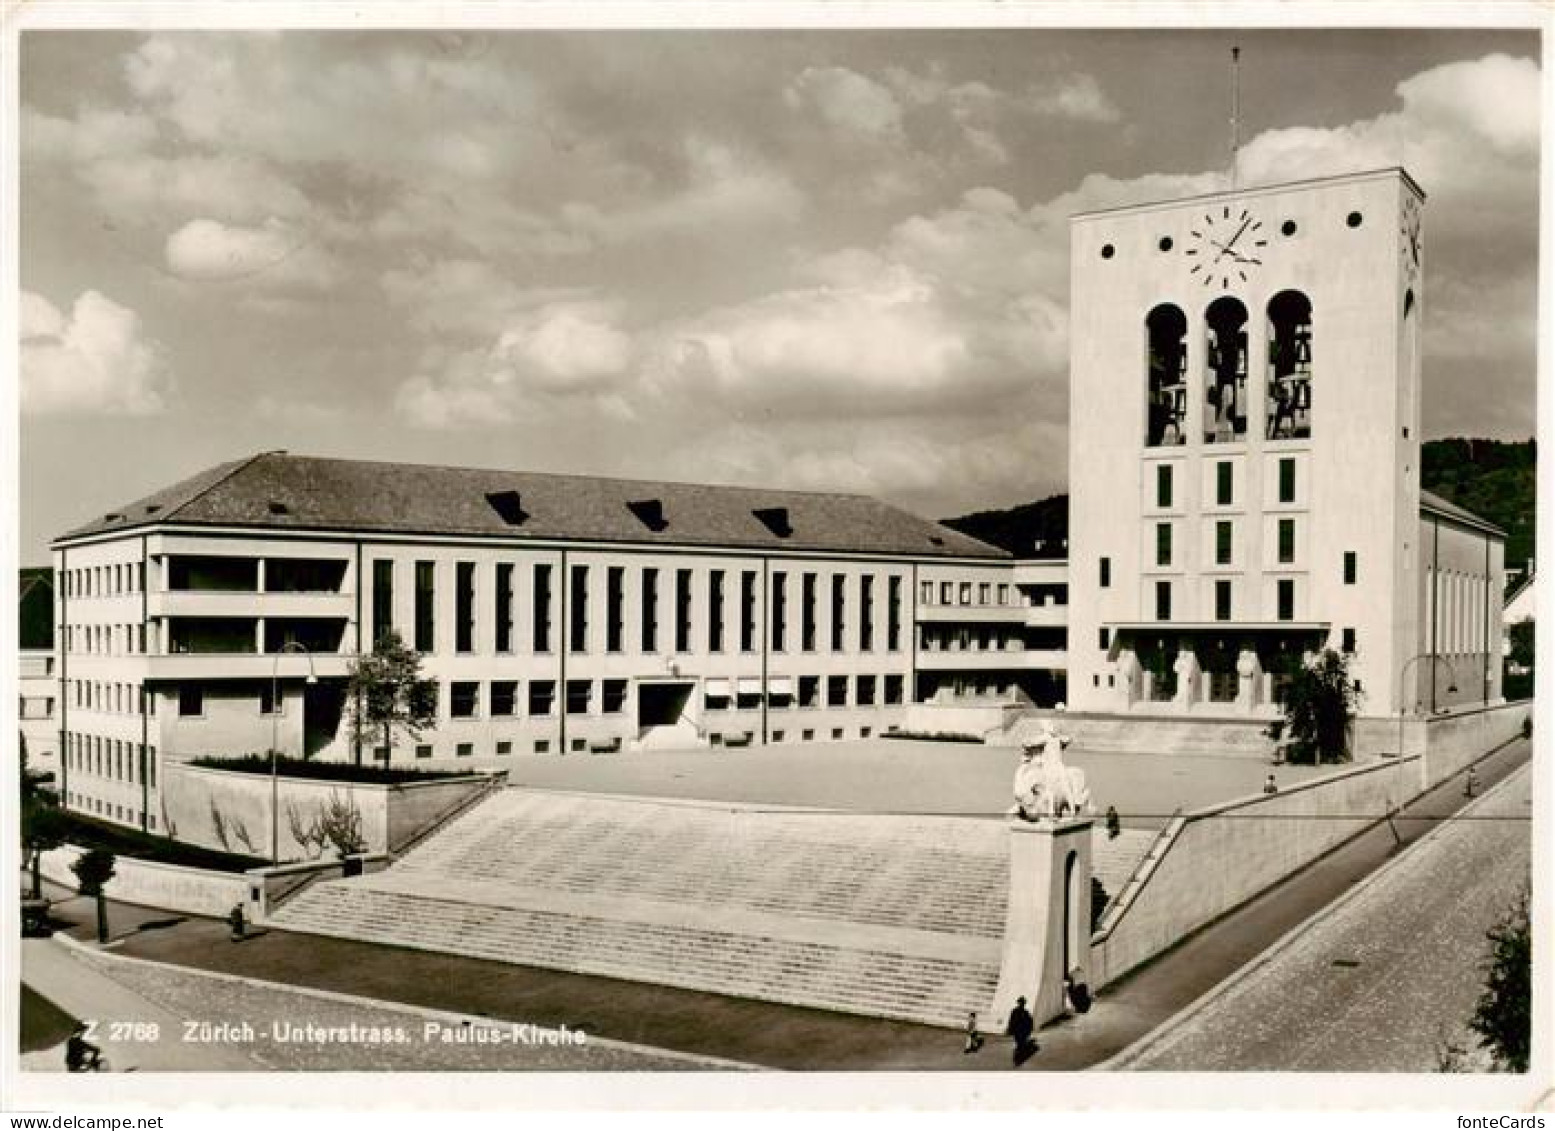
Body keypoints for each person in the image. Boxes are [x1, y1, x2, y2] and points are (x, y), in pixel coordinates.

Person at [1005, 996, 1037, 1065]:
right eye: (1021, 1003)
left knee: (1020, 1043)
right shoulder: (1019, 1011)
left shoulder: (1023, 1012)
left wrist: (1028, 1030)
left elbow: (1029, 1022)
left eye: (1022, 1003)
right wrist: (1009, 1028)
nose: (1021, 1004)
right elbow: (1011, 1021)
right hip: (1019, 1031)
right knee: (1019, 1043)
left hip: (1021, 1031)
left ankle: (1018, 1057)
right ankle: (1018, 1057)